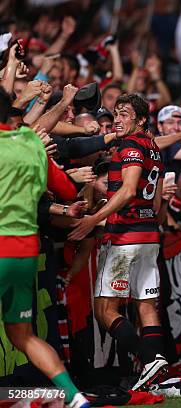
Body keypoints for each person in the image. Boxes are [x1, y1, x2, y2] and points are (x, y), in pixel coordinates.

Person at [68, 93, 169, 391]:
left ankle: (149, 360)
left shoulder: (130, 145)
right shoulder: (154, 147)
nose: (118, 120)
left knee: (104, 309)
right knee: (146, 306)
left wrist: (92, 218)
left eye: (124, 114)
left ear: (140, 120)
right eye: (116, 114)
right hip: (150, 235)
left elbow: (126, 192)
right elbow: (159, 198)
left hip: (125, 236)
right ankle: (156, 376)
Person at [0, 88, 89, 408]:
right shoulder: (33, 144)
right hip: (26, 251)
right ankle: (73, 397)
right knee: (23, 335)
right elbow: (66, 189)